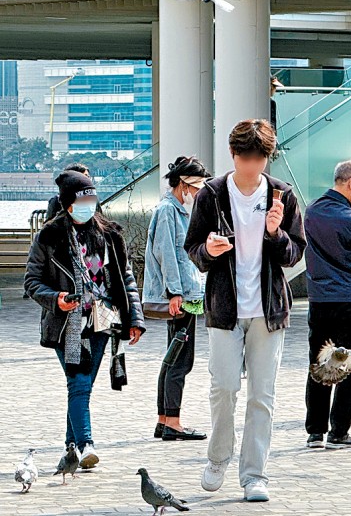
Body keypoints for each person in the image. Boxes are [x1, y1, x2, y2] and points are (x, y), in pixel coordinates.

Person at [185, 119, 305, 503]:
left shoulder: (282, 196)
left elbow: (294, 254)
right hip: (224, 307)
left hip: (268, 309)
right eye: (245, 158)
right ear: (233, 155)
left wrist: (275, 234)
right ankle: (218, 458)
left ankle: (255, 474)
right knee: (224, 387)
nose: (252, 166)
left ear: (268, 157)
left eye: (259, 159)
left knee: (262, 395)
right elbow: (194, 250)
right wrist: (209, 251)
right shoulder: (213, 194)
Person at [25, 169, 146, 471]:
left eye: (92, 197)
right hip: (68, 322)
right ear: (67, 204)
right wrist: (56, 299)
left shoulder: (110, 235)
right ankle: (86, 444)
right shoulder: (49, 236)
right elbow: (32, 280)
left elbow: (126, 280)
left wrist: (135, 318)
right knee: (78, 382)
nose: (89, 204)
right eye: (82, 199)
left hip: (103, 319)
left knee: (82, 386)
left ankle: (70, 450)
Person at [303, 159, 351, 449]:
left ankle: (314, 431)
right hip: (349, 298)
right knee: (348, 365)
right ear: (350, 183)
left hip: (319, 298)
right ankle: (339, 431)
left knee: (320, 362)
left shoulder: (311, 211)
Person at [143, 155, 212, 442]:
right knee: (181, 359)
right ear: (183, 185)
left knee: (174, 356)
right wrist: (175, 293)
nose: (197, 193)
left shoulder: (173, 210)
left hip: (184, 293)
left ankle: (165, 419)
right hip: (181, 296)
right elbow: (167, 255)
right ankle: (172, 421)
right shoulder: (169, 211)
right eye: (195, 187)